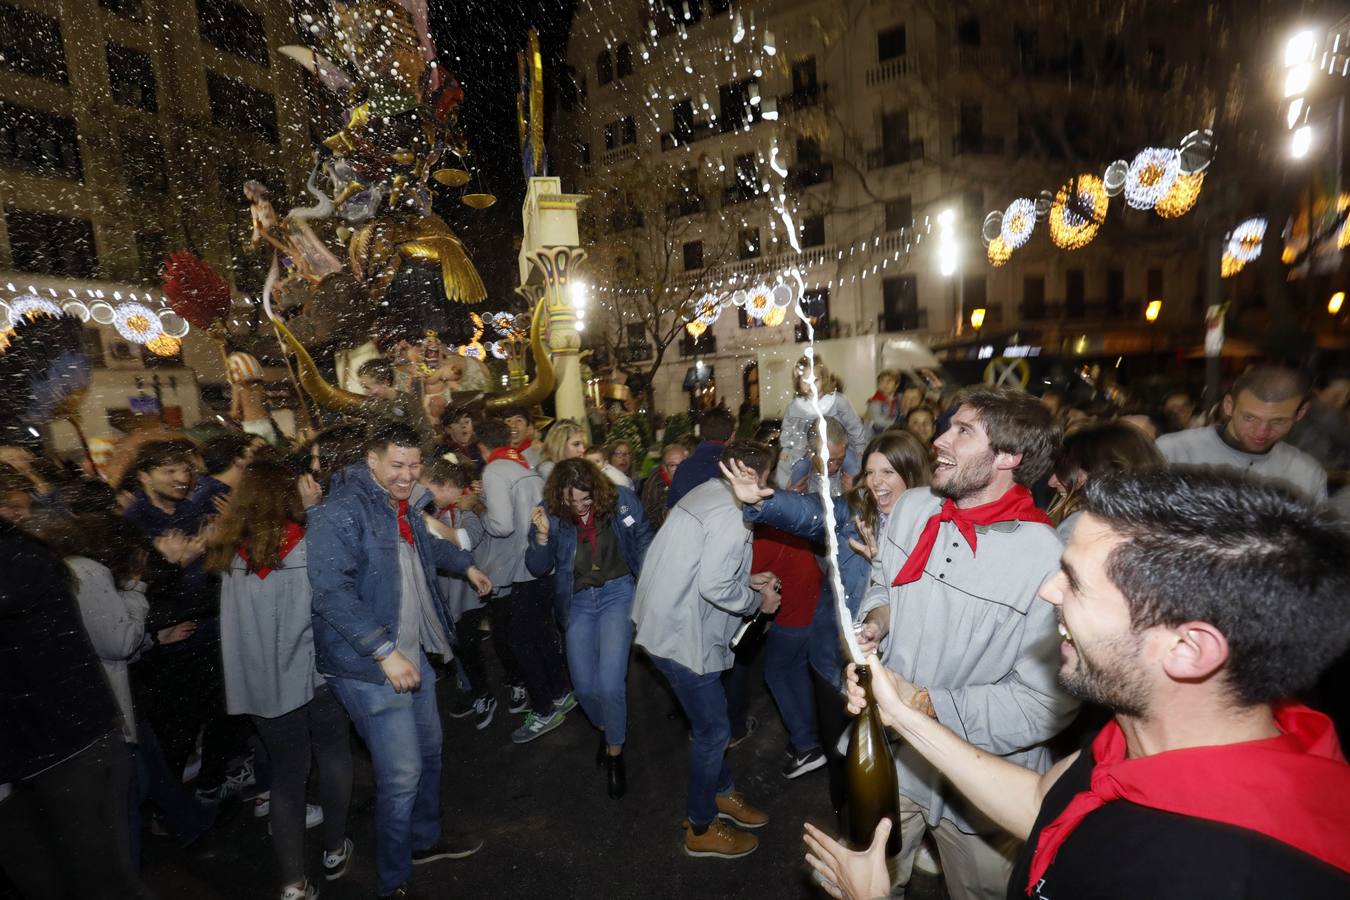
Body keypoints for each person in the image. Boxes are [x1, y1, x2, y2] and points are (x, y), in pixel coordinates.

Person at [808, 469, 1350, 900]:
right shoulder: (1150, 728)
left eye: (1078, 584)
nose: (1048, 591)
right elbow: (1044, 802)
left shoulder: (1222, 872)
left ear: (1188, 650)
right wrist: (905, 715)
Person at [853, 385, 1078, 899]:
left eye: (962, 431)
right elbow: (883, 580)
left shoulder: (1047, 563)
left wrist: (929, 705)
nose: (939, 440)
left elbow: (1047, 704)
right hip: (894, 762)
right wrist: (875, 625)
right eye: (947, 426)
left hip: (983, 788)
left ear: (1010, 457)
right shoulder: (911, 508)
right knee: (869, 883)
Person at [307, 422, 492, 899]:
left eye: (414, 466)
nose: (408, 475)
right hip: (368, 665)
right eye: (397, 465)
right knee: (402, 773)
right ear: (372, 460)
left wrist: (465, 565)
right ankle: (394, 882)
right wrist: (383, 650)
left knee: (430, 753)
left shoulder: (401, 505)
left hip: (412, 655)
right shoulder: (342, 510)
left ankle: (424, 840)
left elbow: (423, 547)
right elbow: (330, 592)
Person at [723, 430, 931, 815]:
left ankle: (897, 828)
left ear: (912, 473)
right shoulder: (855, 509)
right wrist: (764, 502)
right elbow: (810, 512)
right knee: (842, 754)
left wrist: (883, 560)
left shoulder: (935, 523)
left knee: (897, 758)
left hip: (901, 665)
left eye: (888, 472)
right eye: (870, 472)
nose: (876, 483)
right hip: (835, 658)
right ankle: (848, 822)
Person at [209, 459, 353, 900]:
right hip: (316, 675)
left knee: (287, 780)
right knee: (333, 753)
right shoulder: (308, 545)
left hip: (265, 687)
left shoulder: (232, 552)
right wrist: (315, 514)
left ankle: (292, 882)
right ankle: (333, 847)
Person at [632, 439, 782, 859]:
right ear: (754, 476)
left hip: (667, 622)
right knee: (713, 730)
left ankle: (721, 793)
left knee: (709, 727)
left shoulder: (710, 490)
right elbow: (714, 584)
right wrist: (759, 602)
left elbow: (704, 562)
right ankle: (700, 826)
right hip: (680, 635)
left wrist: (746, 580)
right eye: (770, 475)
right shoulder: (735, 514)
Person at [0, 516, 154, 899]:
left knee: (103, 881)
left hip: (65, 749)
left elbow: (117, 641)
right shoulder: (30, 557)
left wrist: (137, 591)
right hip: (49, 750)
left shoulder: (19, 561)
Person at [526, 459, 654, 798]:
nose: (580, 509)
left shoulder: (622, 500)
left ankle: (615, 752)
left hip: (618, 592)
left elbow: (642, 540)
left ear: (596, 491)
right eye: (572, 503)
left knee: (611, 683)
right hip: (578, 600)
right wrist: (541, 536)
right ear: (559, 497)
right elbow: (538, 568)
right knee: (583, 687)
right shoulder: (548, 512)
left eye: (586, 501)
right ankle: (609, 725)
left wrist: (649, 591)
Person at [476, 418, 573, 743]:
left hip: (519, 568)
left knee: (521, 640)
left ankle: (544, 709)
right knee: (540, 633)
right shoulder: (524, 467)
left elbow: (501, 525)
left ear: (482, 447)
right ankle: (559, 691)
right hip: (538, 563)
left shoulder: (493, 471)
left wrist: (479, 510)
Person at [1156, 366, 1327, 499]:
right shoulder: (1171, 451)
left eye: (1278, 421)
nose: (1261, 432)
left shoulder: (1307, 474)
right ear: (1229, 406)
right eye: (1250, 418)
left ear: (1300, 414)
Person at [420, 459, 499, 730]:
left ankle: (485, 694)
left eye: (426, 487)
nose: (420, 493)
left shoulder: (467, 509)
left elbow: (465, 541)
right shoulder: (436, 511)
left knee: (467, 645)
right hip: (447, 597)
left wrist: (425, 520)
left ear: (448, 486)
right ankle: (474, 690)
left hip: (468, 595)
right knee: (458, 647)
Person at [1047, 420, 1165, 540]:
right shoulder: (1162, 525)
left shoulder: (1082, 526)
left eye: (1065, 472)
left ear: (1101, 476)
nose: (1051, 482)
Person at [778, 357, 867, 489]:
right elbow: (788, 429)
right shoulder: (794, 407)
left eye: (816, 380)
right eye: (805, 381)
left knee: (853, 467)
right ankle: (798, 500)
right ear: (798, 382)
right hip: (806, 451)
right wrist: (786, 447)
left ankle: (855, 497)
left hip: (838, 451)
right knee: (798, 470)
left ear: (823, 378)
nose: (811, 386)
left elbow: (854, 425)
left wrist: (860, 447)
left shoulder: (838, 401)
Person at [667, 406, 737, 508]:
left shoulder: (684, 468)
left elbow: (672, 508)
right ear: (733, 436)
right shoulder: (735, 467)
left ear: (701, 434)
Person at [1290, 370, 1350, 473]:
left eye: (1347, 396)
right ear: (1317, 391)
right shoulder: (1326, 415)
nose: (1342, 401)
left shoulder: (1323, 411)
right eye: (1336, 396)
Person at [788, 417, 855, 496]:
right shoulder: (794, 472)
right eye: (828, 461)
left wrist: (852, 495)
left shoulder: (850, 474)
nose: (835, 467)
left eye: (840, 459)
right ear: (810, 453)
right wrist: (790, 499)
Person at [641, 442, 688, 529]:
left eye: (683, 464)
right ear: (664, 468)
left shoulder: (694, 479)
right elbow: (649, 516)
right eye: (673, 465)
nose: (679, 469)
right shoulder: (656, 483)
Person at [434, 404, 484, 469]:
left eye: (467, 422)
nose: (463, 426)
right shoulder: (443, 451)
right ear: (448, 429)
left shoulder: (478, 446)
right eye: (457, 423)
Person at [866, 370, 902, 435]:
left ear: (897, 385)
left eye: (889, 381)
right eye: (882, 381)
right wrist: (896, 423)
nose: (885, 384)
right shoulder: (875, 400)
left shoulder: (898, 399)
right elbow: (878, 419)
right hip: (875, 432)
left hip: (890, 430)